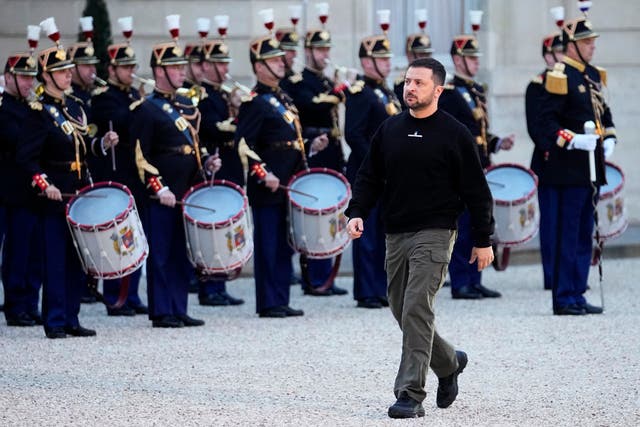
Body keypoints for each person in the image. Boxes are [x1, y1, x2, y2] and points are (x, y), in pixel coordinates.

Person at [345, 57, 494, 418]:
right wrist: (357, 211)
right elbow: (369, 177)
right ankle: (448, 362)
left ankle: (410, 393)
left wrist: (483, 239)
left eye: (419, 83)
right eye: (407, 82)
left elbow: (477, 191)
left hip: (437, 231)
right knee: (401, 307)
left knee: (416, 307)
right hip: (395, 233)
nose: (409, 88)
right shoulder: (390, 129)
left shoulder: (455, 133)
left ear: (437, 90)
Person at [17, 19, 119, 338]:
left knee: (78, 258)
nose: (68, 75)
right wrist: (44, 183)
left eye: (69, 70)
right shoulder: (38, 111)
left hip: (77, 192)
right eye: (61, 71)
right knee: (56, 259)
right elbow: (26, 157)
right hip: (53, 194)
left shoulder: (73, 106)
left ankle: (72, 317)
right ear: (46, 76)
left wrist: (101, 144)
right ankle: (55, 320)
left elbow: (82, 147)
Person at [129, 18, 220, 328]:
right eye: (176, 67)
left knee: (181, 252)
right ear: (159, 71)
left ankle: (179, 307)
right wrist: (159, 188)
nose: (183, 71)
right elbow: (141, 156)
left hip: (187, 188)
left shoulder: (183, 105)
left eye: (183, 66)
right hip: (163, 193)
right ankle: (163, 310)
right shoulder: (146, 108)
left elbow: (193, 142)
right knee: (163, 253)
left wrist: (206, 161)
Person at [530, 14, 614, 315]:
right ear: (572, 46)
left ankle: (577, 292)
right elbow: (546, 121)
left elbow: (604, 113)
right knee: (566, 234)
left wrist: (610, 137)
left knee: (583, 234)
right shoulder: (560, 75)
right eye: (586, 42)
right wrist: (573, 138)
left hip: (590, 167)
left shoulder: (591, 75)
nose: (592, 47)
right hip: (568, 168)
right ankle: (563, 296)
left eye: (592, 42)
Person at [234, 34, 307, 318]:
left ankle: (281, 298)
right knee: (268, 244)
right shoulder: (255, 102)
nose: (281, 64)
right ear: (259, 66)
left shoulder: (283, 98)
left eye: (280, 59)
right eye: (275, 60)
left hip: (288, 183)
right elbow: (243, 144)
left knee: (283, 244)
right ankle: (268, 302)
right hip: (269, 185)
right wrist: (263, 172)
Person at [438, 32, 514, 300]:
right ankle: (461, 281)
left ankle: (476, 278)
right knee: (463, 227)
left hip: (479, 166)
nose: (475, 62)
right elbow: (451, 134)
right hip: (460, 171)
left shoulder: (475, 89)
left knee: (480, 223)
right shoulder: (448, 93)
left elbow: (479, 131)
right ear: (457, 60)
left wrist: (497, 143)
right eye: (470, 57)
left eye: (476, 57)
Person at [279, 26, 348, 297]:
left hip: (331, 151)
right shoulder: (298, 81)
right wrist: (339, 91)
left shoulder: (325, 80)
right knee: (313, 214)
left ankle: (325, 271)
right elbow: (310, 106)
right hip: (313, 149)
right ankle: (313, 276)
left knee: (330, 214)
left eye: (327, 49)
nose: (325, 54)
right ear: (308, 52)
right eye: (320, 49)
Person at [90, 32, 149, 316]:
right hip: (115, 173)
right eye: (126, 68)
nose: (131, 73)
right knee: (117, 238)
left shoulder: (130, 96)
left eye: (133, 67)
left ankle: (132, 294)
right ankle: (116, 295)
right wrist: (140, 105)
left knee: (134, 236)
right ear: (112, 70)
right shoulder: (105, 98)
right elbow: (123, 122)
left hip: (134, 173)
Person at [344, 34, 401, 309]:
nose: (387, 63)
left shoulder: (385, 91)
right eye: (382, 59)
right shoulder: (360, 93)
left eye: (388, 58)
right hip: (368, 174)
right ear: (367, 62)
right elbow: (353, 135)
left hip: (389, 174)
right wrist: (377, 162)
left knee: (383, 234)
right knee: (366, 234)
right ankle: (366, 290)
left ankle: (380, 288)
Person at [194, 25, 245, 307]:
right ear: (206, 66)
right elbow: (212, 129)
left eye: (226, 63)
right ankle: (209, 287)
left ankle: (220, 284)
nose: (225, 69)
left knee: (225, 228)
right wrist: (240, 118)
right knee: (211, 228)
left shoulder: (223, 94)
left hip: (231, 165)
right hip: (214, 165)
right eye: (219, 63)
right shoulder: (202, 96)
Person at [0, 47, 42, 327]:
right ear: (8, 77)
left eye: (31, 78)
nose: (29, 83)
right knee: (15, 250)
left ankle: (30, 302)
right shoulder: (4, 109)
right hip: (8, 191)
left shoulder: (32, 108)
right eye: (23, 77)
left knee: (32, 251)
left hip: (32, 191)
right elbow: (16, 142)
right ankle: (15, 305)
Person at [525, 24, 564, 291]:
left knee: (572, 222)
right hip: (549, 161)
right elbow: (536, 126)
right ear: (548, 56)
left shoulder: (572, 81)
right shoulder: (537, 86)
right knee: (550, 222)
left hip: (574, 164)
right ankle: (552, 276)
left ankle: (571, 274)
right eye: (559, 52)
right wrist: (556, 147)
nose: (562, 57)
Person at [394, 12, 434, 108]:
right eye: (421, 54)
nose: (426, 59)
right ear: (409, 55)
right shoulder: (402, 84)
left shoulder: (435, 79)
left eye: (427, 54)